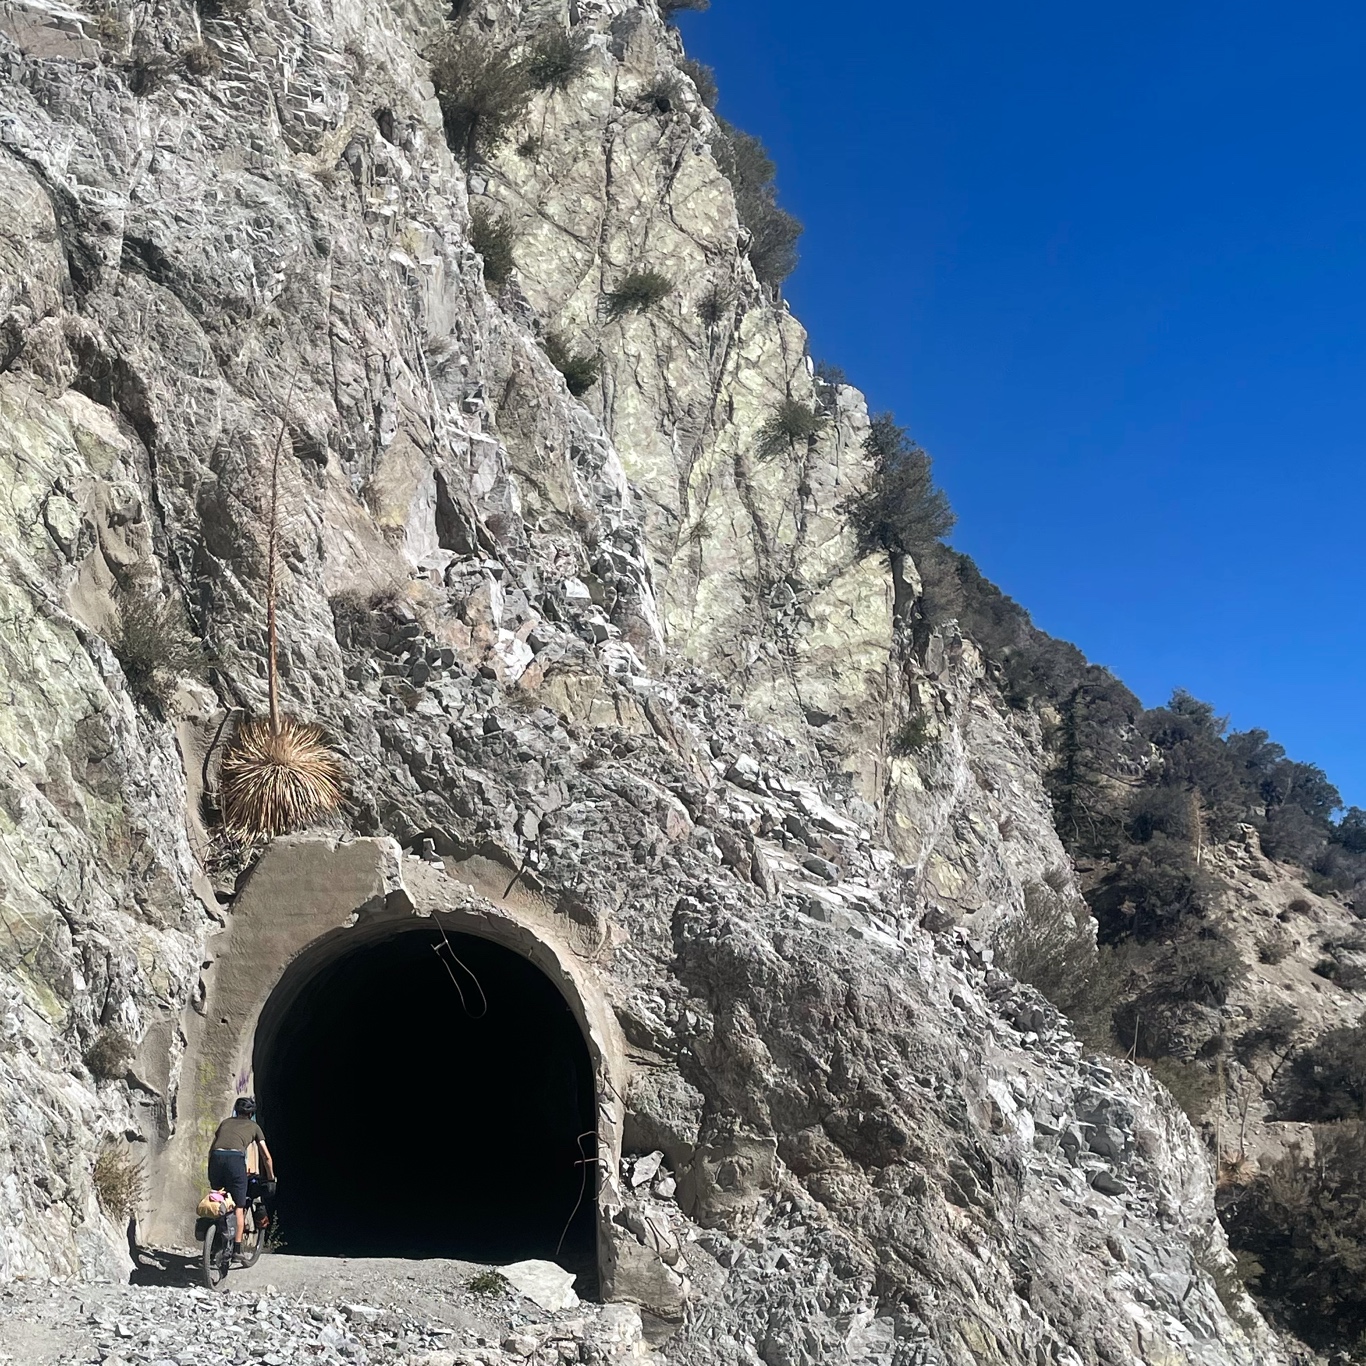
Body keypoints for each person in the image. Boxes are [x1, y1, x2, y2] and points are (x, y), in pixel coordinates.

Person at [208, 1097, 276, 1253]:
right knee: (239, 1206)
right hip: (235, 1161)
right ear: (251, 1114)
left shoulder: (225, 1123)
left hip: (215, 1160)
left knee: (219, 1198)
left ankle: (215, 1242)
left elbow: (212, 1150)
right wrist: (271, 1178)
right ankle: (237, 1250)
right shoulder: (254, 1127)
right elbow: (266, 1157)